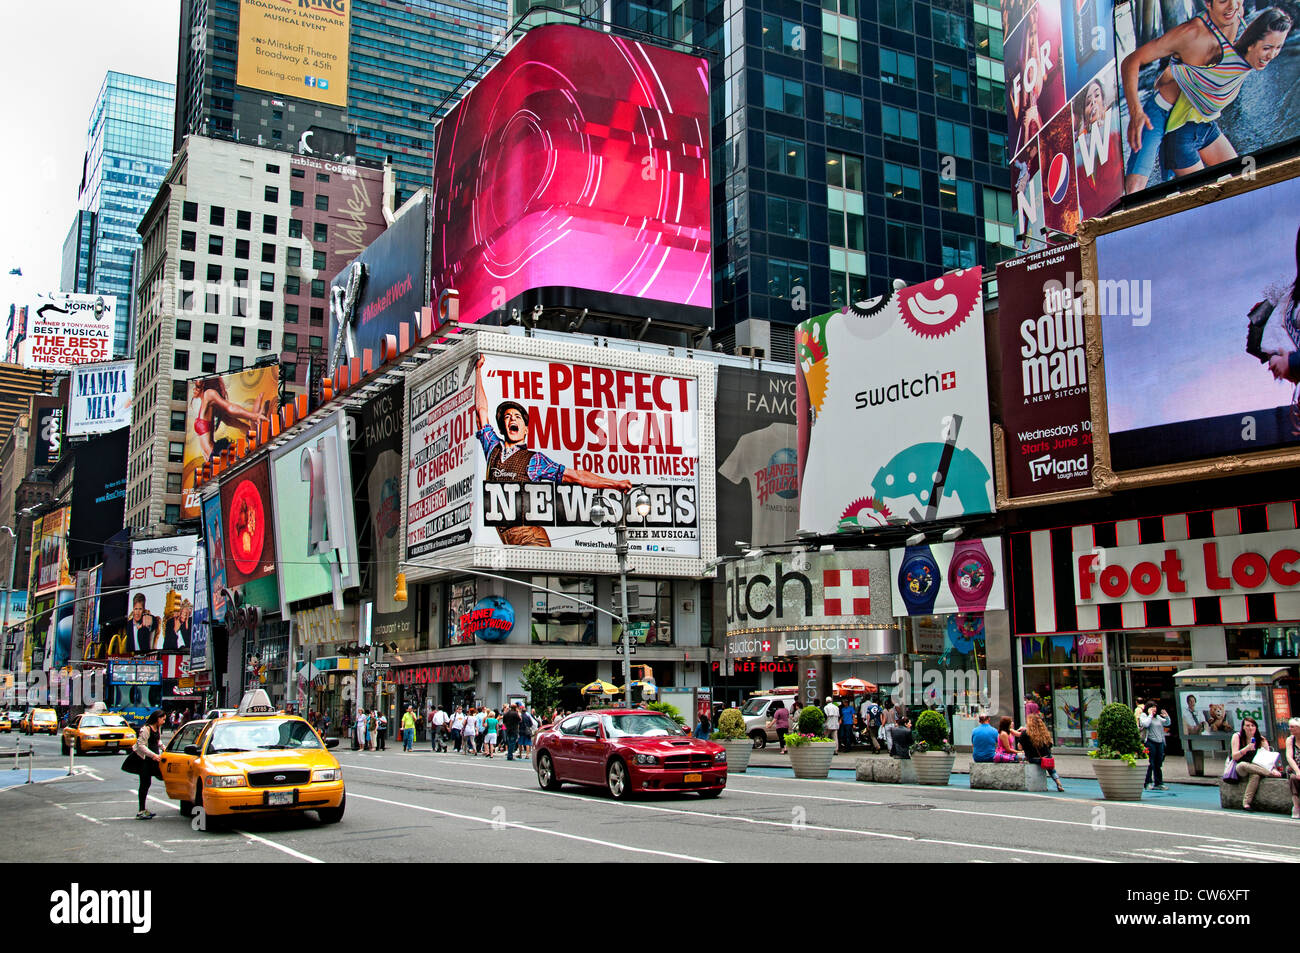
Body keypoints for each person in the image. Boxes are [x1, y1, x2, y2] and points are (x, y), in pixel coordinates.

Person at [473, 354, 632, 546]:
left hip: (531, 538)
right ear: (502, 427)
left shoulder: (535, 460)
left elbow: (576, 477)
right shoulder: (493, 449)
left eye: (517, 417)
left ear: (526, 429)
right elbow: (481, 411)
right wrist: (478, 371)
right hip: (507, 538)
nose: (512, 420)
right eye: (507, 417)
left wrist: (615, 484)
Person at [189, 377, 270, 464]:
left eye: (198, 386)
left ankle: (258, 423)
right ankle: (256, 429)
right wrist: (248, 428)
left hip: (215, 456)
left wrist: (253, 416)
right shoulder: (207, 404)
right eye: (195, 386)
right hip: (211, 460)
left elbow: (229, 408)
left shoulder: (209, 394)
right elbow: (229, 420)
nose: (194, 389)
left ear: (205, 386)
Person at [1232, 716, 1283, 810]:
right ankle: (1269, 774)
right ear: (1243, 727)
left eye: (1252, 725)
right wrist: (1247, 748)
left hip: (1256, 767)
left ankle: (1246, 803)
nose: (1250, 728)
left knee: (1255, 776)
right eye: (1247, 725)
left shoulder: (1261, 739)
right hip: (1241, 768)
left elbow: (1268, 759)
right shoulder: (1237, 737)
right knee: (1243, 765)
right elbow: (1235, 756)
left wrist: (1274, 768)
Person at [1018, 713, 1066, 792]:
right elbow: (1050, 745)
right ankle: (1058, 782)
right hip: (1047, 757)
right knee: (1051, 769)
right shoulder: (1044, 732)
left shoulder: (1025, 733)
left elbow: (1020, 747)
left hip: (1034, 758)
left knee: (1019, 757)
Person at [132, 710, 165, 820]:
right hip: (144, 760)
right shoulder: (146, 729)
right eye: (163, 719)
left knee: (152, 781)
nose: (164, 721)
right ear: (157, 718)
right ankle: (141, 811)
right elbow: (140, 745)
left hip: (153, 759)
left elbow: (157, 741)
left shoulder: (157, 728)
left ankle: (142, 810)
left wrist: (163, 747)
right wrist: (153, 755)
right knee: (145, 783)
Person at [1140, 700, 1172, 790]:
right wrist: (1150, 715)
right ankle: (1148, 782)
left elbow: (1167, 723)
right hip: (1150, 742)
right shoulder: (1144, 716)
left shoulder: (1157, 717)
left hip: (1159, 742)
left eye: (1155, 708)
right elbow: (1145, 724)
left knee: (1158, 763)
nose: (1154, 710)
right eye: (1152, 708)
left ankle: (1159, 782)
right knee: (1150, 763)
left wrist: (1167, 716)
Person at [1284, 717, 1300, 820]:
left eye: (1292, 727)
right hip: (1295, 767)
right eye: (1289, 727)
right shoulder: (1290, 739)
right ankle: (1296, 807)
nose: (1290, 729)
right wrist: (1298, 771)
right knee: (1293, 778)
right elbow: (1289, 757)